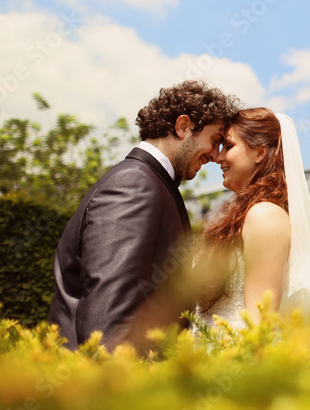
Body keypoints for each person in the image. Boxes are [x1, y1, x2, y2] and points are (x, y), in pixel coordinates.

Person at [48, 81, 239, 351]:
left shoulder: (153, 183)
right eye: (215, 140)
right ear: (183, 126)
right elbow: (107, 320)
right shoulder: (135, 183)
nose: (216, 155)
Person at [194, 108, 310, 331]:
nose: (218, 157)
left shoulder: (265, 215)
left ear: (259, 153)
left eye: (229, 146)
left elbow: (259, 324)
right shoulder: (247, 214)